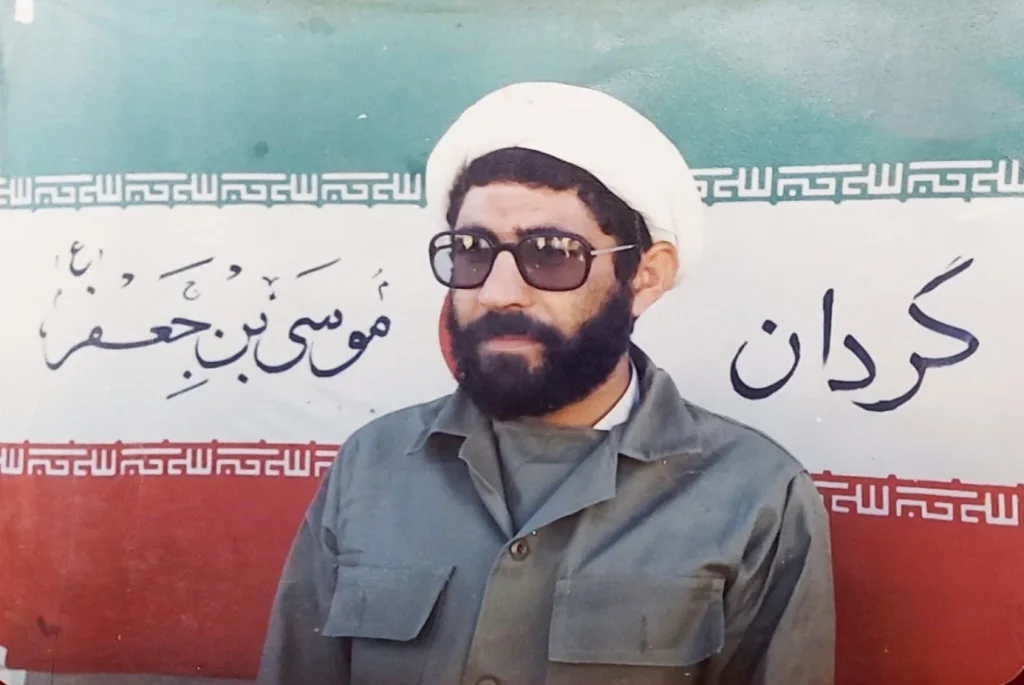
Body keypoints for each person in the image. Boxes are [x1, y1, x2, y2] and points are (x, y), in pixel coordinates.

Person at [257, 81, 835, 685]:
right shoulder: (372, 465)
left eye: (552, 253)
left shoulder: (755, 495)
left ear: (645, 276)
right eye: (472, 250)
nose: (498, 292)